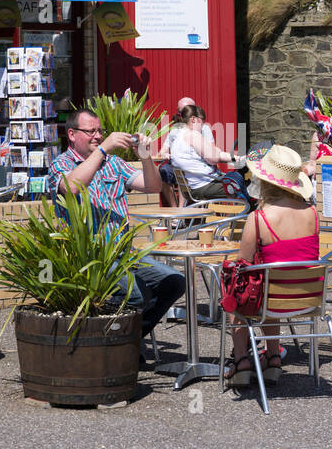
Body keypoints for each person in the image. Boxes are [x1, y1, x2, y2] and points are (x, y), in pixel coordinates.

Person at [48, 109, 186, 343]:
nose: (98, 136)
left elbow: (153, 186)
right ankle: (115, 344)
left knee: (174, 282)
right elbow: (71, 187)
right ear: (72, 134)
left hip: (125, 254)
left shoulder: (114, 163)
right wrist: (103, 150)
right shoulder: (60, 164)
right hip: (89, 258)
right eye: (91, 131)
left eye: (100, 131)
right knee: (136, 294)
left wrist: (145, 156)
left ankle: (129, 341)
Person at [225, 145, 320, 386]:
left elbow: (242, 266)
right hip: (308, 299)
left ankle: (241, 361)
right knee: (273, 282)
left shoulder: (259, 218)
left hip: (272, 300)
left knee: (237, 287)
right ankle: (274, 356)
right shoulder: (312, 213)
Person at [168, 104, 250, 204]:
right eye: (202, 122)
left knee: (234, 181)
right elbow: (214, 158)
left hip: (192, 187)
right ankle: (246, 217)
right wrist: (236, 158)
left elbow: (215, 156)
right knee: (245, 187)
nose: (203, 127)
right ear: (193, 119)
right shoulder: (193, 135)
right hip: (204, 186)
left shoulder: (177, 137)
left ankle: (231, 217)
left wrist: (235, 158)